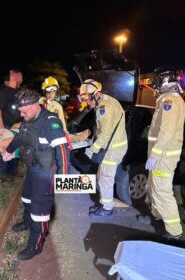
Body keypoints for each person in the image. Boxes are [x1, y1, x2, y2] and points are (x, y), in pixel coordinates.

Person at [2, 89, 70, 260]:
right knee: (27, 198)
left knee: (40, 209)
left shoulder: (50, 122)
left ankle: (36, 244)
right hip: (32, 167)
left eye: (24, 111)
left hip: (46, 171)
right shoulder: (28, 119)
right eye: (20, 111)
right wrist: (9, 151)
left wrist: (63, 177)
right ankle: (27, 222)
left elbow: (62, 149)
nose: (22, 114)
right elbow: (20, 138)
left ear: (34, 106)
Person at [138, 67, 185, 241]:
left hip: (164, 157)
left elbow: (167, 132)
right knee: (153, 188)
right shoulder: (166, 100)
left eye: (158, 80)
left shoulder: (171, 101)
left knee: (163, 192)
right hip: (159, 156)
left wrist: (155, 155)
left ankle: (175, 232)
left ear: (165, 81)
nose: (155, 84)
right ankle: (156, 216)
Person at [79, 79, 128, 216]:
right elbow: (103, 129)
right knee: (102, 175)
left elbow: (105, 133)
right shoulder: (107, 101)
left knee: (105, 178)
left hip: (113, 149)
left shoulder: (104, 107)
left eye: (88, 98)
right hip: (112, 146)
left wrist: (92, 149)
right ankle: (104, 203)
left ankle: (107, 209)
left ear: (96, 93)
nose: (87, 102)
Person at [39, 76, 89, 142]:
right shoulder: (40, 102)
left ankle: (83, 135)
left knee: (65, 134)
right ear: (44, 91)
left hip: (54, 131)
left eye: (53, 91)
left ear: (56, 92)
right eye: (48, 91)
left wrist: (65, 132)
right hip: (43, 132)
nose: (51, 94)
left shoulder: (58, 106)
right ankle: (80, 136)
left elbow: (62, 122)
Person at [0, 69, 23, 182]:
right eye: (19, 76)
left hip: (17, 125)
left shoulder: (17, 91)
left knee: (15, 148)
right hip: (6, 125)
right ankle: (2, 173)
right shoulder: (3, 91)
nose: (21, 79)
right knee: (5, 148)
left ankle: (12, 171)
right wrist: (1, 125)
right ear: (13, 77)